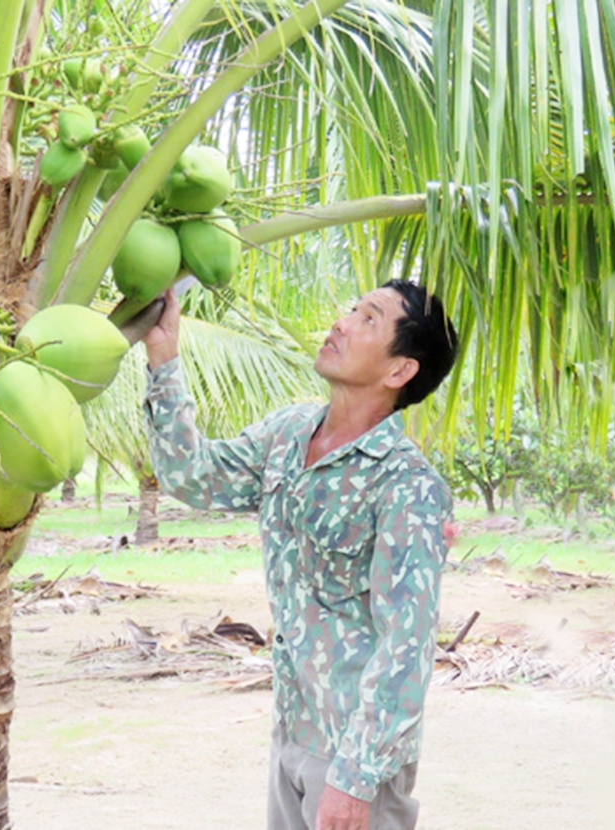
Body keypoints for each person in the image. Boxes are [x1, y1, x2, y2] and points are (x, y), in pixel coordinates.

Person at [141, 279, 458, 830]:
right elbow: (189, 475)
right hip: (294, 727)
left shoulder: (407, 485)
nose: (341, 322)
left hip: (357, 756)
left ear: (399, 371)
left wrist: (355, 779)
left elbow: (406, 649)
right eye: (351, 309)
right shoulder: (287, 434)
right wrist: (164, 357)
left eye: (368, 319)